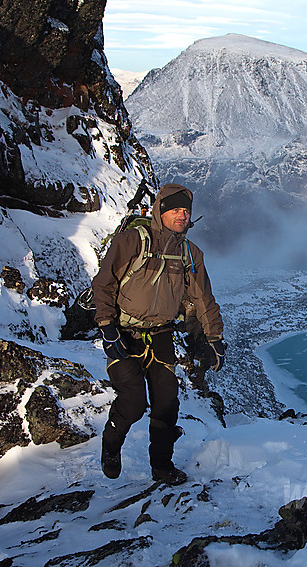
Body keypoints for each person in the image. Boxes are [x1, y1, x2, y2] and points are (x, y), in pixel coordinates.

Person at [91, 183, 226, 485]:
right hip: (124, 333)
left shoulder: (190, 255)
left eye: (186, 210)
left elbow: (203, 299)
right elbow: (103, 285)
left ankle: (162, 466)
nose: (182, 215)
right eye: (175, 209)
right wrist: (107, 329)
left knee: (167, 403)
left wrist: (214, 338)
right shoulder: (133, 242)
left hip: (161, 334)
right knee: (134, 401)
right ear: (160, 212)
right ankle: (111, 446)